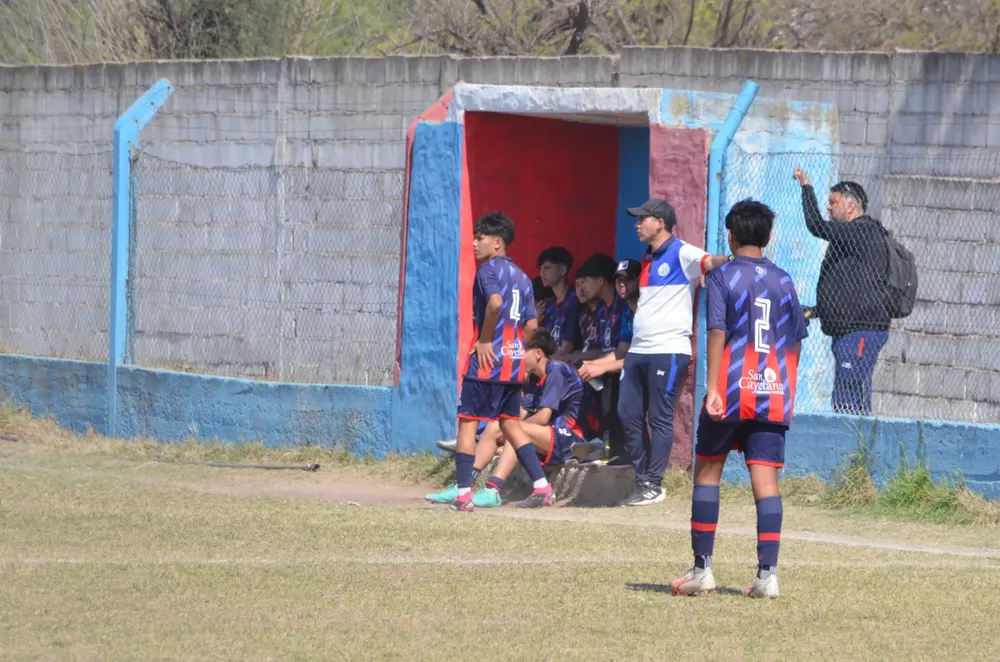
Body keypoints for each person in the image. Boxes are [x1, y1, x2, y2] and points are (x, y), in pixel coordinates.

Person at [670, 199, 808, 599]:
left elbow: (717, 330)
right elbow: (796, 338)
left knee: (708, 472)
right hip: (772, 392)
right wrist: (783, 388)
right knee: (766, 481)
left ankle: (702, 571)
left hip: (730, 390)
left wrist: (712, 388)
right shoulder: (784, 280)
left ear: (730, 235)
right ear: (768, 237)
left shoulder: (722, 275)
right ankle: (768, 576)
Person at [618, 199, 729, 507]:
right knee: (627, 413)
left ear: (661, 223)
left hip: (669, 350)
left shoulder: (682, 251)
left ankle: (653, 483)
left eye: (643, 219)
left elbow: (710, 261)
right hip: (639, 350)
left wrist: (736, 257)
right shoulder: (647, 257)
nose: (637, 224)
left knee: (660, 417)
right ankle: (643, 478)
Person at [445, 211, 554, 512]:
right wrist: (522, 355)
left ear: (497, 243)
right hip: (513, 362)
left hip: (487, 360)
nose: (473, 243)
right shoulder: (522, 277)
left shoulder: (487, 270)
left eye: (479, 238)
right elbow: (532, 328)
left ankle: (464, 493)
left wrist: (483, 340)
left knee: (467, 422)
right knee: (510, 424)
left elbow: (494, 303)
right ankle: (542, 486)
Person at [438, 329, 600, 508]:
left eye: (522, 351)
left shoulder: (556, 369)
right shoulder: (533, 379)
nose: (518, 356)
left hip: (572, 437)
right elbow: (518, 414)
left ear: (538, 353)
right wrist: (504, 428)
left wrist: (509, 429)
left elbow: (543, 417)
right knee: (495, 426)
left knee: (516, 430)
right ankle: (465, 484)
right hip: (549, 436)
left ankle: (493, 490)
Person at [793, 169, 890, 416]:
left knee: (849, 398)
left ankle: (854, 451)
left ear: (850, 206)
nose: (828, 207)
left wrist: (806, 187)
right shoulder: (848, 239)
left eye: (832, 202)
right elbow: (848, 290)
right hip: (849, 331)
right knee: (849, 398)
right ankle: (855, 452)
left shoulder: (864, 230)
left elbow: (815, 226)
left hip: (860, 331)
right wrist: (815, 311)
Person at [572, 258, 641, 467]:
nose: (622, 285)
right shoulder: (606, 310)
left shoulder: (626, 308)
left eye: (626, 280)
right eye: (618, 280)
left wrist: (599, 367)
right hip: (617, 365)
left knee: (610, 383)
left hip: (636, 369)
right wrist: (593, 367)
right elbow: (617, 351)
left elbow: (628, 355)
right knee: (589, 376)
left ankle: (616, 447)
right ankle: (599, 442)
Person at [570, 254, 619, 364]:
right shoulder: (601, 309)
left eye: (586, 280)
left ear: (600, 281)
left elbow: (622, 351)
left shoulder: (622, 306)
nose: (583, 287)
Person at [536, 247, 578, 359]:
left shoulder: (575, 300)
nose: (542, 273)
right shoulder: (548, 304)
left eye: (547, 268)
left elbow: (566, 348)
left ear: (563, 270)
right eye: (541, 269)